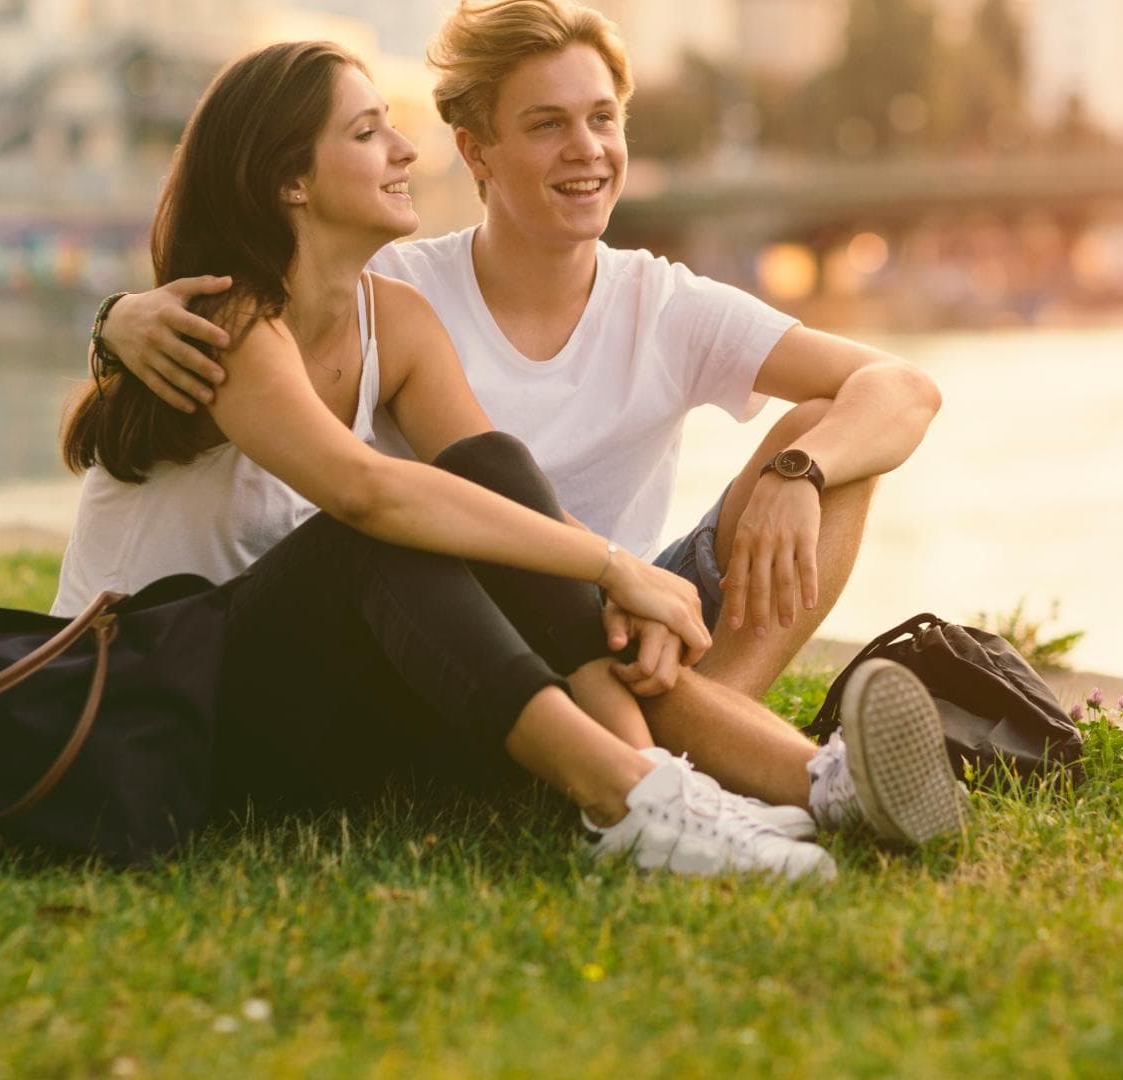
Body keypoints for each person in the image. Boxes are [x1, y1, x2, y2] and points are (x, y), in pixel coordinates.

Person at [95, 1, 964, 846]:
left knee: (831, 432)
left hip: (601, 622)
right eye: (549, 124)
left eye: (601, 119)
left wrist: (796, 473)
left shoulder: (645, 303)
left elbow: (902, 389)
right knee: (411, 526)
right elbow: (357, 472)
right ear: (477, 152)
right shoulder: (370, 289)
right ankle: (746, 773)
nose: (586, 149)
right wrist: (114, 320)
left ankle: (693, 760)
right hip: (430, 628)